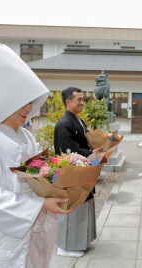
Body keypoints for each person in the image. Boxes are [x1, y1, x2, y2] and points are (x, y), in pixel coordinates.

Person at [0, 43, 74, 267]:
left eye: (31, 102)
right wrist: (39, 205)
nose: (28, 108)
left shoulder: (26, 136)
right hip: (9, 228)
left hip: (36, 221)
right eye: (21, 102)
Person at [54, 87, 102, 258]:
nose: (82, 102)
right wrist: (91, 155)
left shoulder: (78, 121)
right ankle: (65, 247)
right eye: (79, 99)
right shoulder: (63, 124)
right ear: (68, 101)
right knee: (72, 208)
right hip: (72, 173)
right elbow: (68, 150)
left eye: (83, 99)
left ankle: (80, 241)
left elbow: (82, 144)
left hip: (82, 171)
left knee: (83, 205)